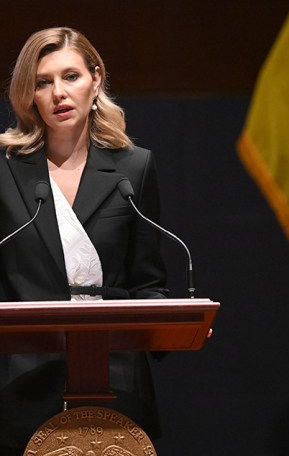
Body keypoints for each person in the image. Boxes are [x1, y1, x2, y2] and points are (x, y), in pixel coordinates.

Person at [0, 27, 169, 455]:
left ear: (96, 79)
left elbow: (148, 281)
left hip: (114, 381)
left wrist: (165, 323)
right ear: (29, 94)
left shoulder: (134, 167)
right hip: (21, 384)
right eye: (43, 82)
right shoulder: (4, 170)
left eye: (70, 76)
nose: (58, 92)